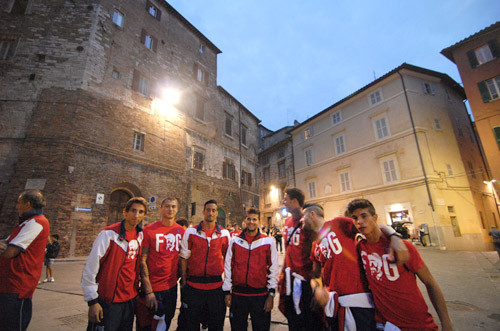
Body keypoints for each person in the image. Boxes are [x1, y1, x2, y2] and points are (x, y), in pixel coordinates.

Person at [348, 199, 453, 331]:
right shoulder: (360, 248)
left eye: (364, 216)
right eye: (355, 218)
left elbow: (430, 283)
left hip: (416, 324)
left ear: (375, 217)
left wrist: (446, 323)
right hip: (383, 324)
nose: (359, 221)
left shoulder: (402, 247)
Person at [304, 203, 408, 331]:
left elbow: (369, 226)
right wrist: (317, 289)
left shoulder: (338, 223)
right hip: (335, 306)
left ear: (312, 214)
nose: (301, 220)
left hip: (360, 304)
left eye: (304, 216)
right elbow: (315, 275)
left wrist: (394, 236)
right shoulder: (315, 245)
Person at [81, 197, 147, 331]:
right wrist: (92, 301)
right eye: (133, 211)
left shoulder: (140, 236)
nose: (136, 215)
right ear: (125, 212)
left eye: (140, 212)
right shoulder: (108, 234)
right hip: (108, 301)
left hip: (129, 299)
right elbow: (91, 268)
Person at [0, 190, 50, 331]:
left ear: (28, 204)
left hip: (18, 286)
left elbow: (9, 251)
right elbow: (6, 243)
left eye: (19, 203)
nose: (17, 206)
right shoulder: (25, 223)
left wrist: (5, 246)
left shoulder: (37, 222)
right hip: (8, 284)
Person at [223, 207, 279, 330]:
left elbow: (274, 268)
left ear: (259, 221)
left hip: (260, 295)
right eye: (249, 219)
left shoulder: (268, 241)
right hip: (238, 294)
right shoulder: (235, 240)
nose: (251, 222)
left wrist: (271, 295)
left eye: (254, 219)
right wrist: (227, 291)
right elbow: (228, 266)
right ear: (245, 220)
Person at [180, 200, 230, 331]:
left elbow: (228, 261)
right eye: (208, 210)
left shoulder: (224, 234)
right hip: (194, 287)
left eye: (214, 210)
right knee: (191, 324)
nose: (210, 213)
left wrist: (228, 285)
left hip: (216, 287)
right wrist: (184, 282)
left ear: (216, 213)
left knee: (216, 324)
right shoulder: (191, 232)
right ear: (203, 212)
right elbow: (184, 257)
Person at [278, 188, 322, 330]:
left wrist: (318, 280)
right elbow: (289, 250)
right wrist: (283, 272)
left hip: (306, 281)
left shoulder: (308, 221)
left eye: (286, 199)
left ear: (295, 201)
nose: (283, 202)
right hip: (291, 279)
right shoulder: (287, 221)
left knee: (309, 320)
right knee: (293, 319)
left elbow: (318, 251)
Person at [140, 197, 185, 330]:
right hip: (153, 287)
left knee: (165, 323)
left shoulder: (181, 231)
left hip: (171, 287)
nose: (170, 209)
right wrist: (148, 291)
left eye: (173, 207)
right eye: (167, 206)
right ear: (161, 208)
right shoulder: (149, 230)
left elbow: (182, 258)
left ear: (177, 210)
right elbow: (142, 260)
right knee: (147, 326)